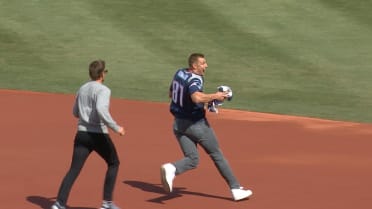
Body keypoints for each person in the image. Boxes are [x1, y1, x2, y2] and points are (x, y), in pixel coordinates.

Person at [160, 53, 253, 201]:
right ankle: (236, 188)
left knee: (192, 159)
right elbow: (196, 97)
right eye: (203, 63)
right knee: (217, 154)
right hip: (196, 125)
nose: (206, 66)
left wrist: (206, 103)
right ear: (194, 66)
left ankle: (171, 168)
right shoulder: (195, 79)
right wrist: (215, 96)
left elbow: (171, 93)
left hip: (178, 125)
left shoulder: (180, 73)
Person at [51, 60, 125, 209]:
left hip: (82, 135)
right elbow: (101, 109)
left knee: (74, 169)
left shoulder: (82, 88)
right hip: (98, 135)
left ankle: (59, 203)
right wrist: (116, 128)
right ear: (102, 74)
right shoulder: (104, 90)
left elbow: (75, 112)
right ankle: (107, 203)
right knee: (113, 163)